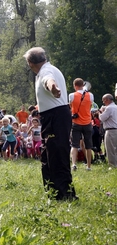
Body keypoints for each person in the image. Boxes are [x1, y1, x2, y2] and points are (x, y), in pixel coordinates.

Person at [23, 46, 77, 201]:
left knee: (57, 154)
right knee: (48, 155)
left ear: (30, 62)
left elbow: (49, 81)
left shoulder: (46, 72)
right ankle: (52, 191)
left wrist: (53, 88)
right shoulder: (47, 69)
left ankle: (65, 194)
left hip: (56, 116)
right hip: (52, 116)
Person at [69, 78, 94, 171]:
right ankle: (88, 166)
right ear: (83, 85)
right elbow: (90, 107)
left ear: (75, 86)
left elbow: (71, 106)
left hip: (76, 123)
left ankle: (74, 164)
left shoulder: (72, 95)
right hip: (87, 122)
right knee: (88, 145)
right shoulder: (90, 95)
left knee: (74, 145)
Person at [99, 94, 117, 169]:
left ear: (107, 100)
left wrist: (100, 112)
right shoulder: (115, 107)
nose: (103, 102)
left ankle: (112, 165)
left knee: (110, 149)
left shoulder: (109, 108)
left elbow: (102, 118)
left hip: (110, 130)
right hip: (115, 129)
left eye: (104, 100)